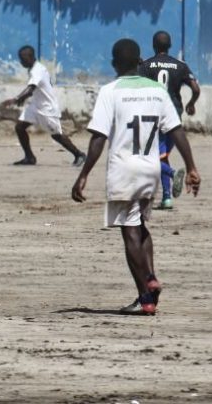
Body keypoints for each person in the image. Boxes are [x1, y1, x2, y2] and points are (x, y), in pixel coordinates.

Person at [72, 38, 200, 315]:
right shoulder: (157, 91)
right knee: (141, 225)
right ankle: (150, 283)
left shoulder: (110, 91)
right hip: (151, 168)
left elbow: (98, 138)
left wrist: (83, 175)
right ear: (140, 61)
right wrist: (191, 166)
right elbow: (176, 130)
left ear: (115, 63)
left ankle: (146, 293)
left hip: (123, 169)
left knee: (129, 232)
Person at [138, 30, 201, 210]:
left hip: (152, 116)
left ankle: (173, 175)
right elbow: (195, 89)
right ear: (170, 46)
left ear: (153, 45)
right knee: (161, 155)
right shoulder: (180, 65)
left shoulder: (146, 65)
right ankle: (166, 197)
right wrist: (191, 104)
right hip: (173, 117)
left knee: (148, 156)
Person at [2, 45, 86, 166]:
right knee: (20, 127)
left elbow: (31, 88)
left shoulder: (38, 70)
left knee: (56, 136)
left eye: (23, 59)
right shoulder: (33, 69)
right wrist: (23, 98)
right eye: (20, 59)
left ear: (31, 57)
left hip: (47, 109)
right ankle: (29, 157)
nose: (21, 62)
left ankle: (79, 154)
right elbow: (33, 90)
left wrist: (16, 99)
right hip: (36, 106)